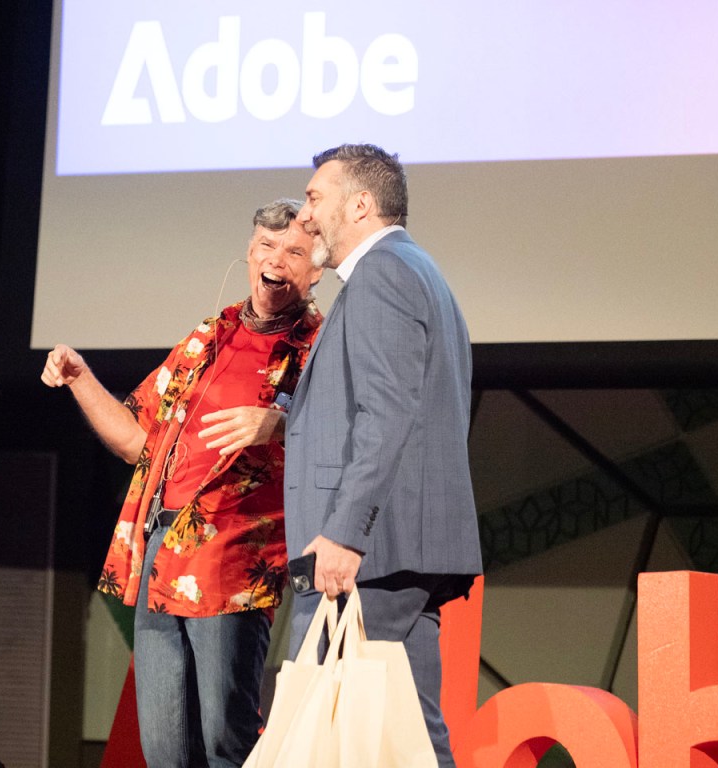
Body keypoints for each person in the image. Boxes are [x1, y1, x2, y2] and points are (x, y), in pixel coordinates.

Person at [40, 199, 323, 768]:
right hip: (160, 551)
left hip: (233, 558)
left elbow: (352, 432)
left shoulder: (317, 346)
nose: (276, 260)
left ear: (317, 270)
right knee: (165, 748)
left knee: (224, 740)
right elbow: (136, 442)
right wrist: (81, 379)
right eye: (267, 246)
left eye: (295, 252)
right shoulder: (210, 336)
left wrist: (282, 424)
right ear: (249, 254)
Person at [284, 144, 482, 768]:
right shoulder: (417, 270)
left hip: (371, 554)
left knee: (315, 727)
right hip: (402, 551)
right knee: (410, 736)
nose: (304, 215)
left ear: (360, 205)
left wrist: (346, 532)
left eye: (315, 198)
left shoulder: (382, 275)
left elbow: (388, 412)